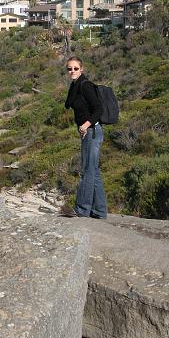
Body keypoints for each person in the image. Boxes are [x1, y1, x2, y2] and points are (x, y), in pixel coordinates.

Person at [63, 56, 107, 219]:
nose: (72, 71)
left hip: (92, 132)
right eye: (69, 69)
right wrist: (73, 85)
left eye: (75, 68)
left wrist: (86, 124)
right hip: (87, 133)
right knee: (93, 171)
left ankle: (82, 209)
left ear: (82, 69)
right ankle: (100, 211)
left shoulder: (86, 85)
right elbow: (68, 104)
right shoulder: (76, 85)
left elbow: (98, 109)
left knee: (87, 171)